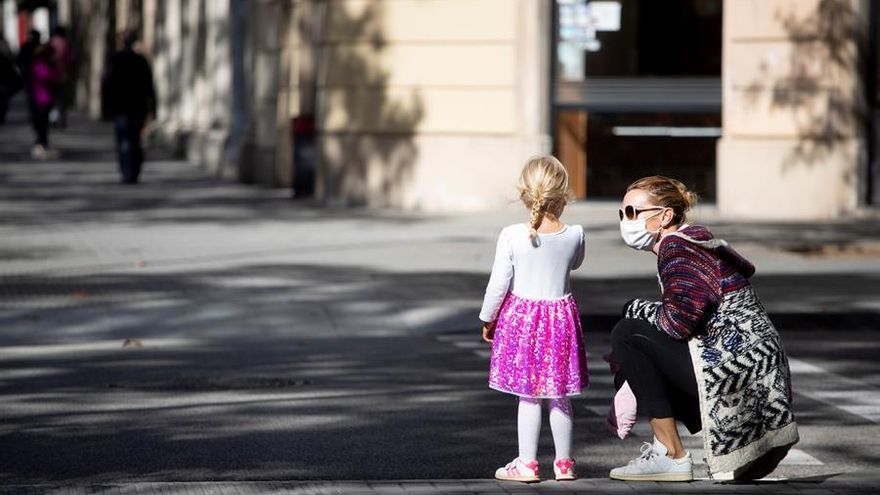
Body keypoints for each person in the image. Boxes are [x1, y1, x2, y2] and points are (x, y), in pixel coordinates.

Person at [607, 176, 798, 482]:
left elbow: (678, 322)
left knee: (627, 333)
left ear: (665, 216)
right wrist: (630, 379)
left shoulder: (677, 248)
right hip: (751, 376)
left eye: (632, 212)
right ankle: (668, 450)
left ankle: (671, 456)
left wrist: (633, 308)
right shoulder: (690, 240)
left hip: (737, 374)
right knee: (632, 352)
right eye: (621, 214)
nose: (625, 221)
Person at [479, 155, 588, 483]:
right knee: (559, 393)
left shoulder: (512, 235)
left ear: (525, 194)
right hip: (560, 320)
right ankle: (564, 463)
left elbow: (499, 283)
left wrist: (488, 318)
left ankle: (527, 463)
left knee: (529, 394)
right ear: (564, 193)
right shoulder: (576, 234)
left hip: (523, 320)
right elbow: (576, 264)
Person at [104, 30, 156, 184]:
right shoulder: (140, 60)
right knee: (133, 139)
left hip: (123, 107)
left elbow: (107, 85)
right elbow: (150, 87)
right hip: (136, 107)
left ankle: (128, 171)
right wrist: (153, 107)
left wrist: (107, 107)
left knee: (124, 140)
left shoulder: (116, 60)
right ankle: (133, 170)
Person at [29, 44, 58, 159]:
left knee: (43, 124)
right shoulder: (42, 64)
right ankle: (40, 144)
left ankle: (42, 143)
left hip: (42, 97)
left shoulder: (39, 63)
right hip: (42, 98)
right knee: (42, 124)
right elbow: (49, 77)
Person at [0, 38, 22, 125]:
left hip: (5, 77)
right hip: (5, 78)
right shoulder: (5, 45)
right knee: (4, 99)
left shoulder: (4, 46)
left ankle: (2, 114)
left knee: (3, 99)